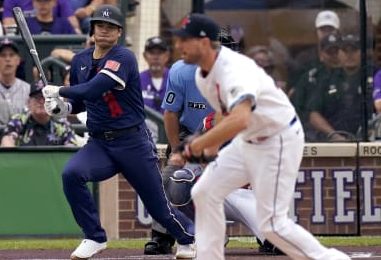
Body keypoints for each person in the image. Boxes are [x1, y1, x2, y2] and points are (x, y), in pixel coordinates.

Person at [171, 13, 351, 260]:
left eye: (185, 39)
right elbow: (226, 116)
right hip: (250, 140)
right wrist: (206, 149)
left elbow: (241, 117)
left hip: (279, 139)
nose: (178, 45)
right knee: (204, 191)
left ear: (204, 43)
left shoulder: (232, 68)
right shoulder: (203, 75)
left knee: (273, 225)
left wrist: (197, 144)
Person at [41, 4, 195, 260]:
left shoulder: (123, 57)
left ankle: (188, 239)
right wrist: (61, 107)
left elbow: (94, 89)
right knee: (72, 174)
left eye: (110, 27)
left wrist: (60, 90)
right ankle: (94, 236)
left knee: (158, 207)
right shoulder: (80, 60)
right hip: (100, 143)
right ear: (92, 29)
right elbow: (80, 102)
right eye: (100, 25)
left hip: (132, 141)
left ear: (119, 32)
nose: (104, 31)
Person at [144, 30, 282, 256]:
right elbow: (172, 115)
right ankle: (172, 234)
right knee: (174, 181)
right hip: (196, 136)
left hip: (244, 174)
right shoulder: (184, 72)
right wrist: (181, 149)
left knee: (278, 240)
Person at [307, 33, 376, 141]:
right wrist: (334, 135)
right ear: (339, 54)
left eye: (354, 50)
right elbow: (314, 114)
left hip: (368, 141)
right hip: (335, 142)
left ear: (362, 53)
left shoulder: (374, 75)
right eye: (345, 51)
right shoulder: (328, 79)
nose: (349, 55)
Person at [291, 33, 342, 141]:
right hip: (313, 135)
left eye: (337, 51)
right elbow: (301, 109)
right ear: (321, 54)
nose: (334, 56)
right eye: (330, 52)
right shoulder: (311, 77)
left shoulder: (349, 75)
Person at [0, 80, 77, 147]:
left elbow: (71, 151)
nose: (41, 101)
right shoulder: (18, 121)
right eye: (36, 97)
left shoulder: (63, 125)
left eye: (46, 98)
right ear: (29, 102)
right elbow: (7, 143)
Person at [289, 10, 340, 94]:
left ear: (337, 31)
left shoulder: (344, 56)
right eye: (323, 29)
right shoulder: (303, 58)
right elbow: (293, 89)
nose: (326, 33)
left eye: (330, 29)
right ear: (317, 31)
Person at [0, 38, 30, 123]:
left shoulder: (28, 90)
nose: (8, 59)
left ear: (18, 60)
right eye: (3, 55)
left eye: (11, 55)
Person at [2, 0, 82, 34]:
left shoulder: (64, 24)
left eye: (46, 0)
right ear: (33, 2)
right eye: (39, 0)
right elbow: (10, 29)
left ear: (54, 2)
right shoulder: (25, 25)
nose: (43, 4)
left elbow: (75, 29)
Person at [140, 36, 170, 114]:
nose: (156, 57)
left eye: (159, 53)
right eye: (152, 53)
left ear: (167, 56)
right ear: (145, 56)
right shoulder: (137, 81)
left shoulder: (177, 80)